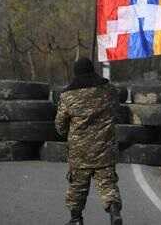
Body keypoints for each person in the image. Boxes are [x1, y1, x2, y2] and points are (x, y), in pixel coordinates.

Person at [55, 57, 123, 225]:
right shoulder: (109, 90)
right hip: (105, 148)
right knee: (108, 184)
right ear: (93, 70)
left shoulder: (67, 96)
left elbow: (60, 125)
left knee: (77, 187)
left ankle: (76, 219)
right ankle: (114, 212)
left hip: (80, 152)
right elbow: (117, 113)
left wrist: (65, 132)